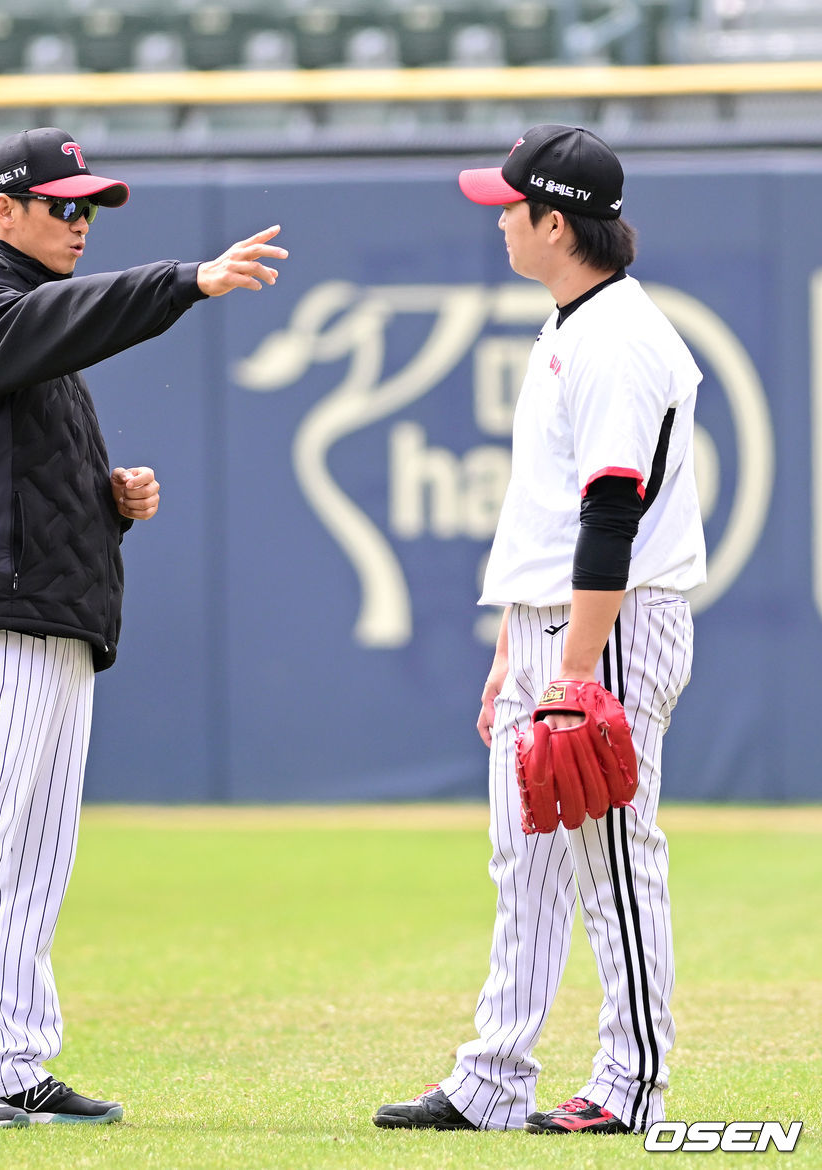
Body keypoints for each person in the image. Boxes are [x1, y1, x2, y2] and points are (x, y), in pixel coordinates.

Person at [0, 127, 287, 1129]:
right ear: (3, 210)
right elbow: (66, 323)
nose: (78, 222)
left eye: (89, 208)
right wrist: (184, 281)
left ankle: (9, 1057)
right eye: (61, 205)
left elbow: (10, 468)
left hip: (56, 614)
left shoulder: (25, 322)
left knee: (33, 857)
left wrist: (106, 501)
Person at [373, 125, 705, 1135]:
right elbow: (556, 515)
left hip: (600, 628)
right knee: (525, 861)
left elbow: (613, 510)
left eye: (509, 206)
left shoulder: (617, 339)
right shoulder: (575, 322)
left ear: (552, 223)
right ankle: (492, 1077)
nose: (499, 220)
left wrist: (569, 674)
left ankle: (630, 1082)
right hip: (548, 628)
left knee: (610, 857)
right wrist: (513, 653)